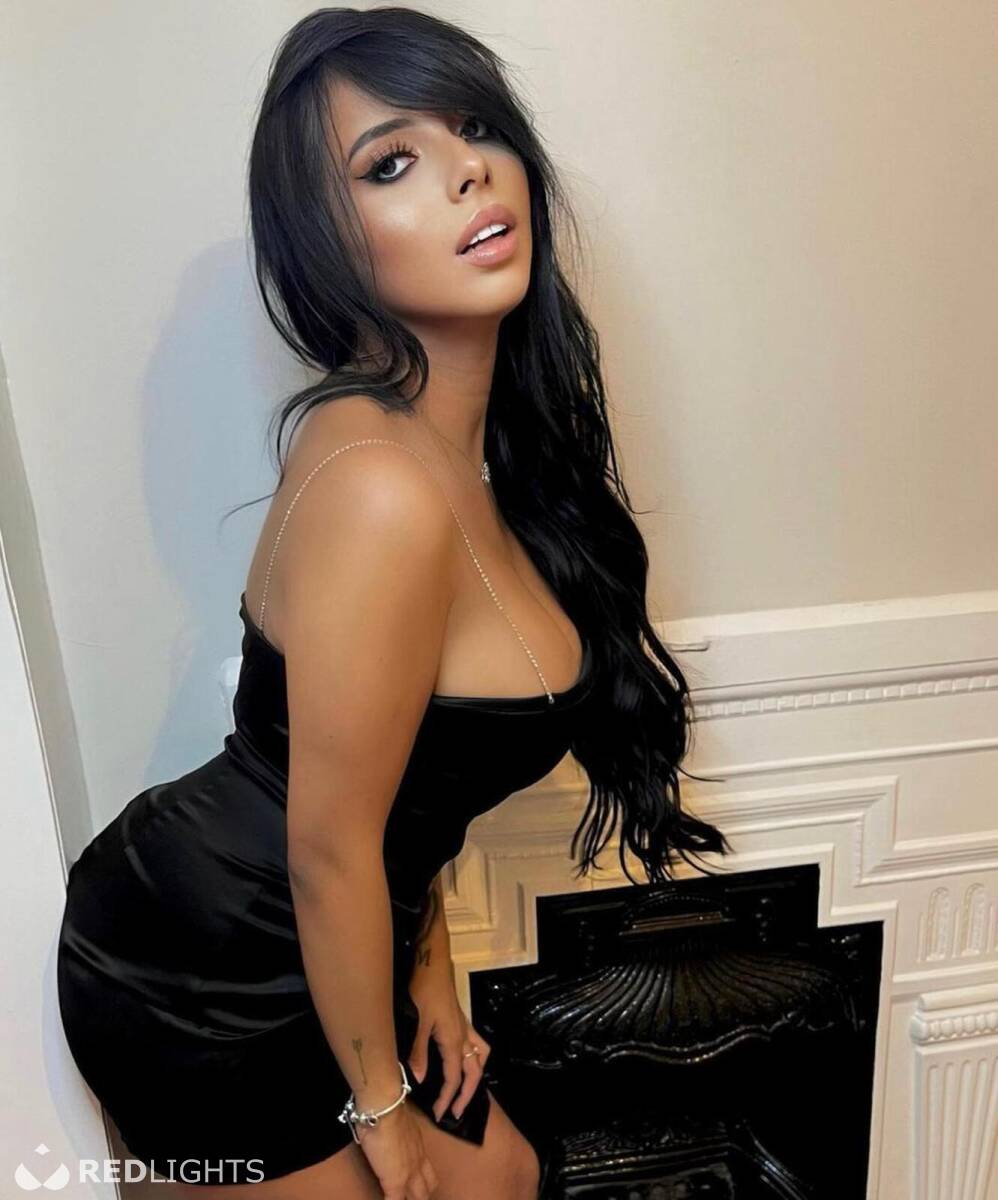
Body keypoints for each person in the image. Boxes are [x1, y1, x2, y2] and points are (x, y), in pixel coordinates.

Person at [56, 7, 730, 1199]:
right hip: (200, 972)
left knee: (504, 1176)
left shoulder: (474, 462)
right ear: (326, 240)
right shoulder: (377, 482)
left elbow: (408, 782)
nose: (468, 169)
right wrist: (380, 1114)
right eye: (390, 163)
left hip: (339, 939)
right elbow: (327, 841)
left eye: (474, 127)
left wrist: (429, 966)